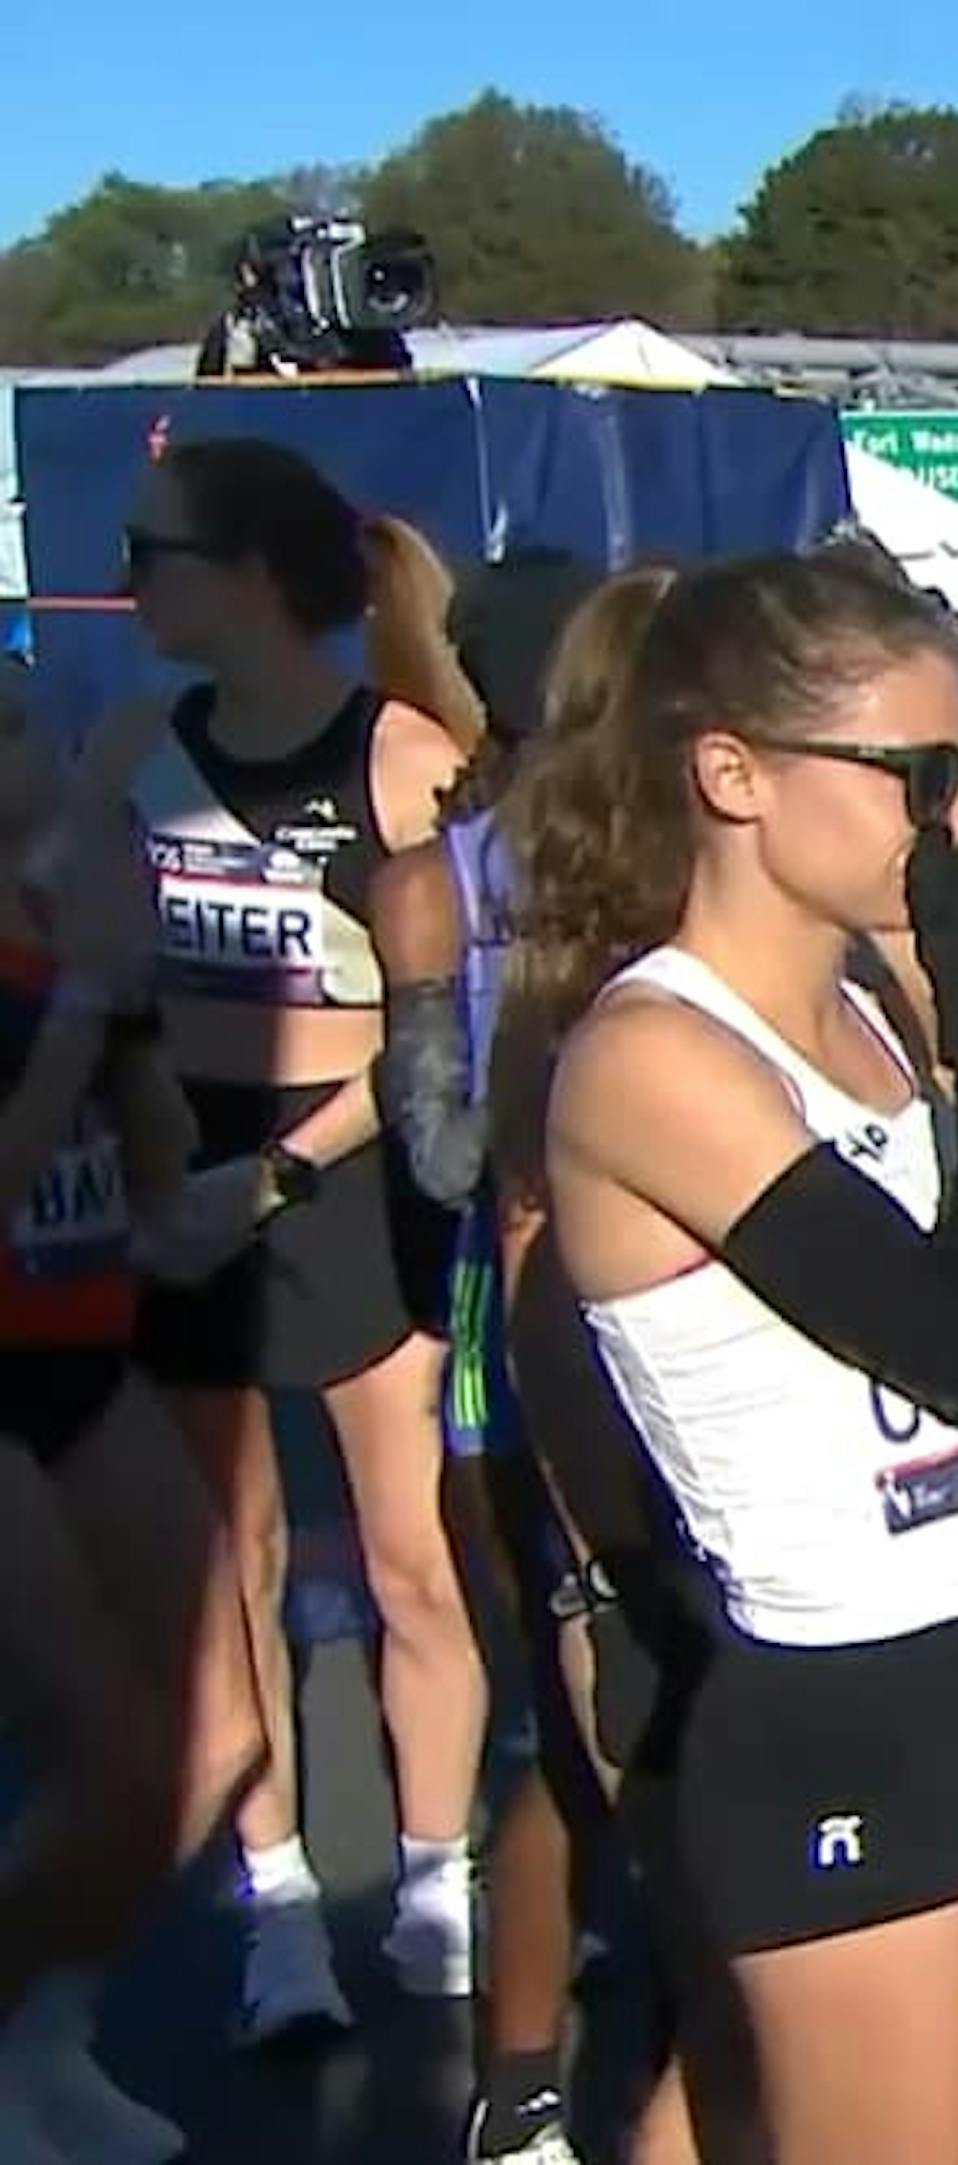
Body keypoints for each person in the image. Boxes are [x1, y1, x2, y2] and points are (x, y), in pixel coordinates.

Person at [516, 555, 958, 2164]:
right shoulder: (655, 1058)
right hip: (842, 1695)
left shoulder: (874, 989)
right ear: (733, 776)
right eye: (920, 778)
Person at [97, 439, 488, 2041]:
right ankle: (273, 1911)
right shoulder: (135, 743)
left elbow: (434, 1031)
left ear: (253, 574)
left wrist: (271, 1173)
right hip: (184, 1173)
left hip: (345, 1178)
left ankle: (432, 1876)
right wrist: (160, 1153)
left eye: (156, 553)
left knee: (413, 1560)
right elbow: (101, 976)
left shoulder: (401, 760)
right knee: (227, 1562)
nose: (130, 586)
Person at [365, 544, 618, 2165]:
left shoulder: (674, 854)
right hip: (516, 1344)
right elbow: (441, 1158)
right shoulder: (432, 883)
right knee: (562, 1723)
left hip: (684, 1318)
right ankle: (517, 2090)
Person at [0, 665, 262, 2164]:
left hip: (87, 1343)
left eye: (28, 718)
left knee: (217, 1734)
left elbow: (149, 1162)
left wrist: (130, 1004)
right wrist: (82, 1006)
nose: (35, 750)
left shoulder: (64, 934)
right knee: (104, 1748)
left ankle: (44, 2026)